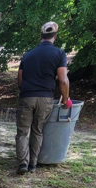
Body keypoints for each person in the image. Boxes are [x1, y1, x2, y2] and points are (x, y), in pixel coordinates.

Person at [15, 21, 71, 175]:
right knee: (38, 130)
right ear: (55, 36)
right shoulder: (59, 54)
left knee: (22, 132)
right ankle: (33, 164)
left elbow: (19, 80)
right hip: (46, 98)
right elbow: (63, 80)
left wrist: (26, 90)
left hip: (27, 96)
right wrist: (66, 98)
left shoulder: (28, 55)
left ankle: (22, 164)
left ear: (40, 36)